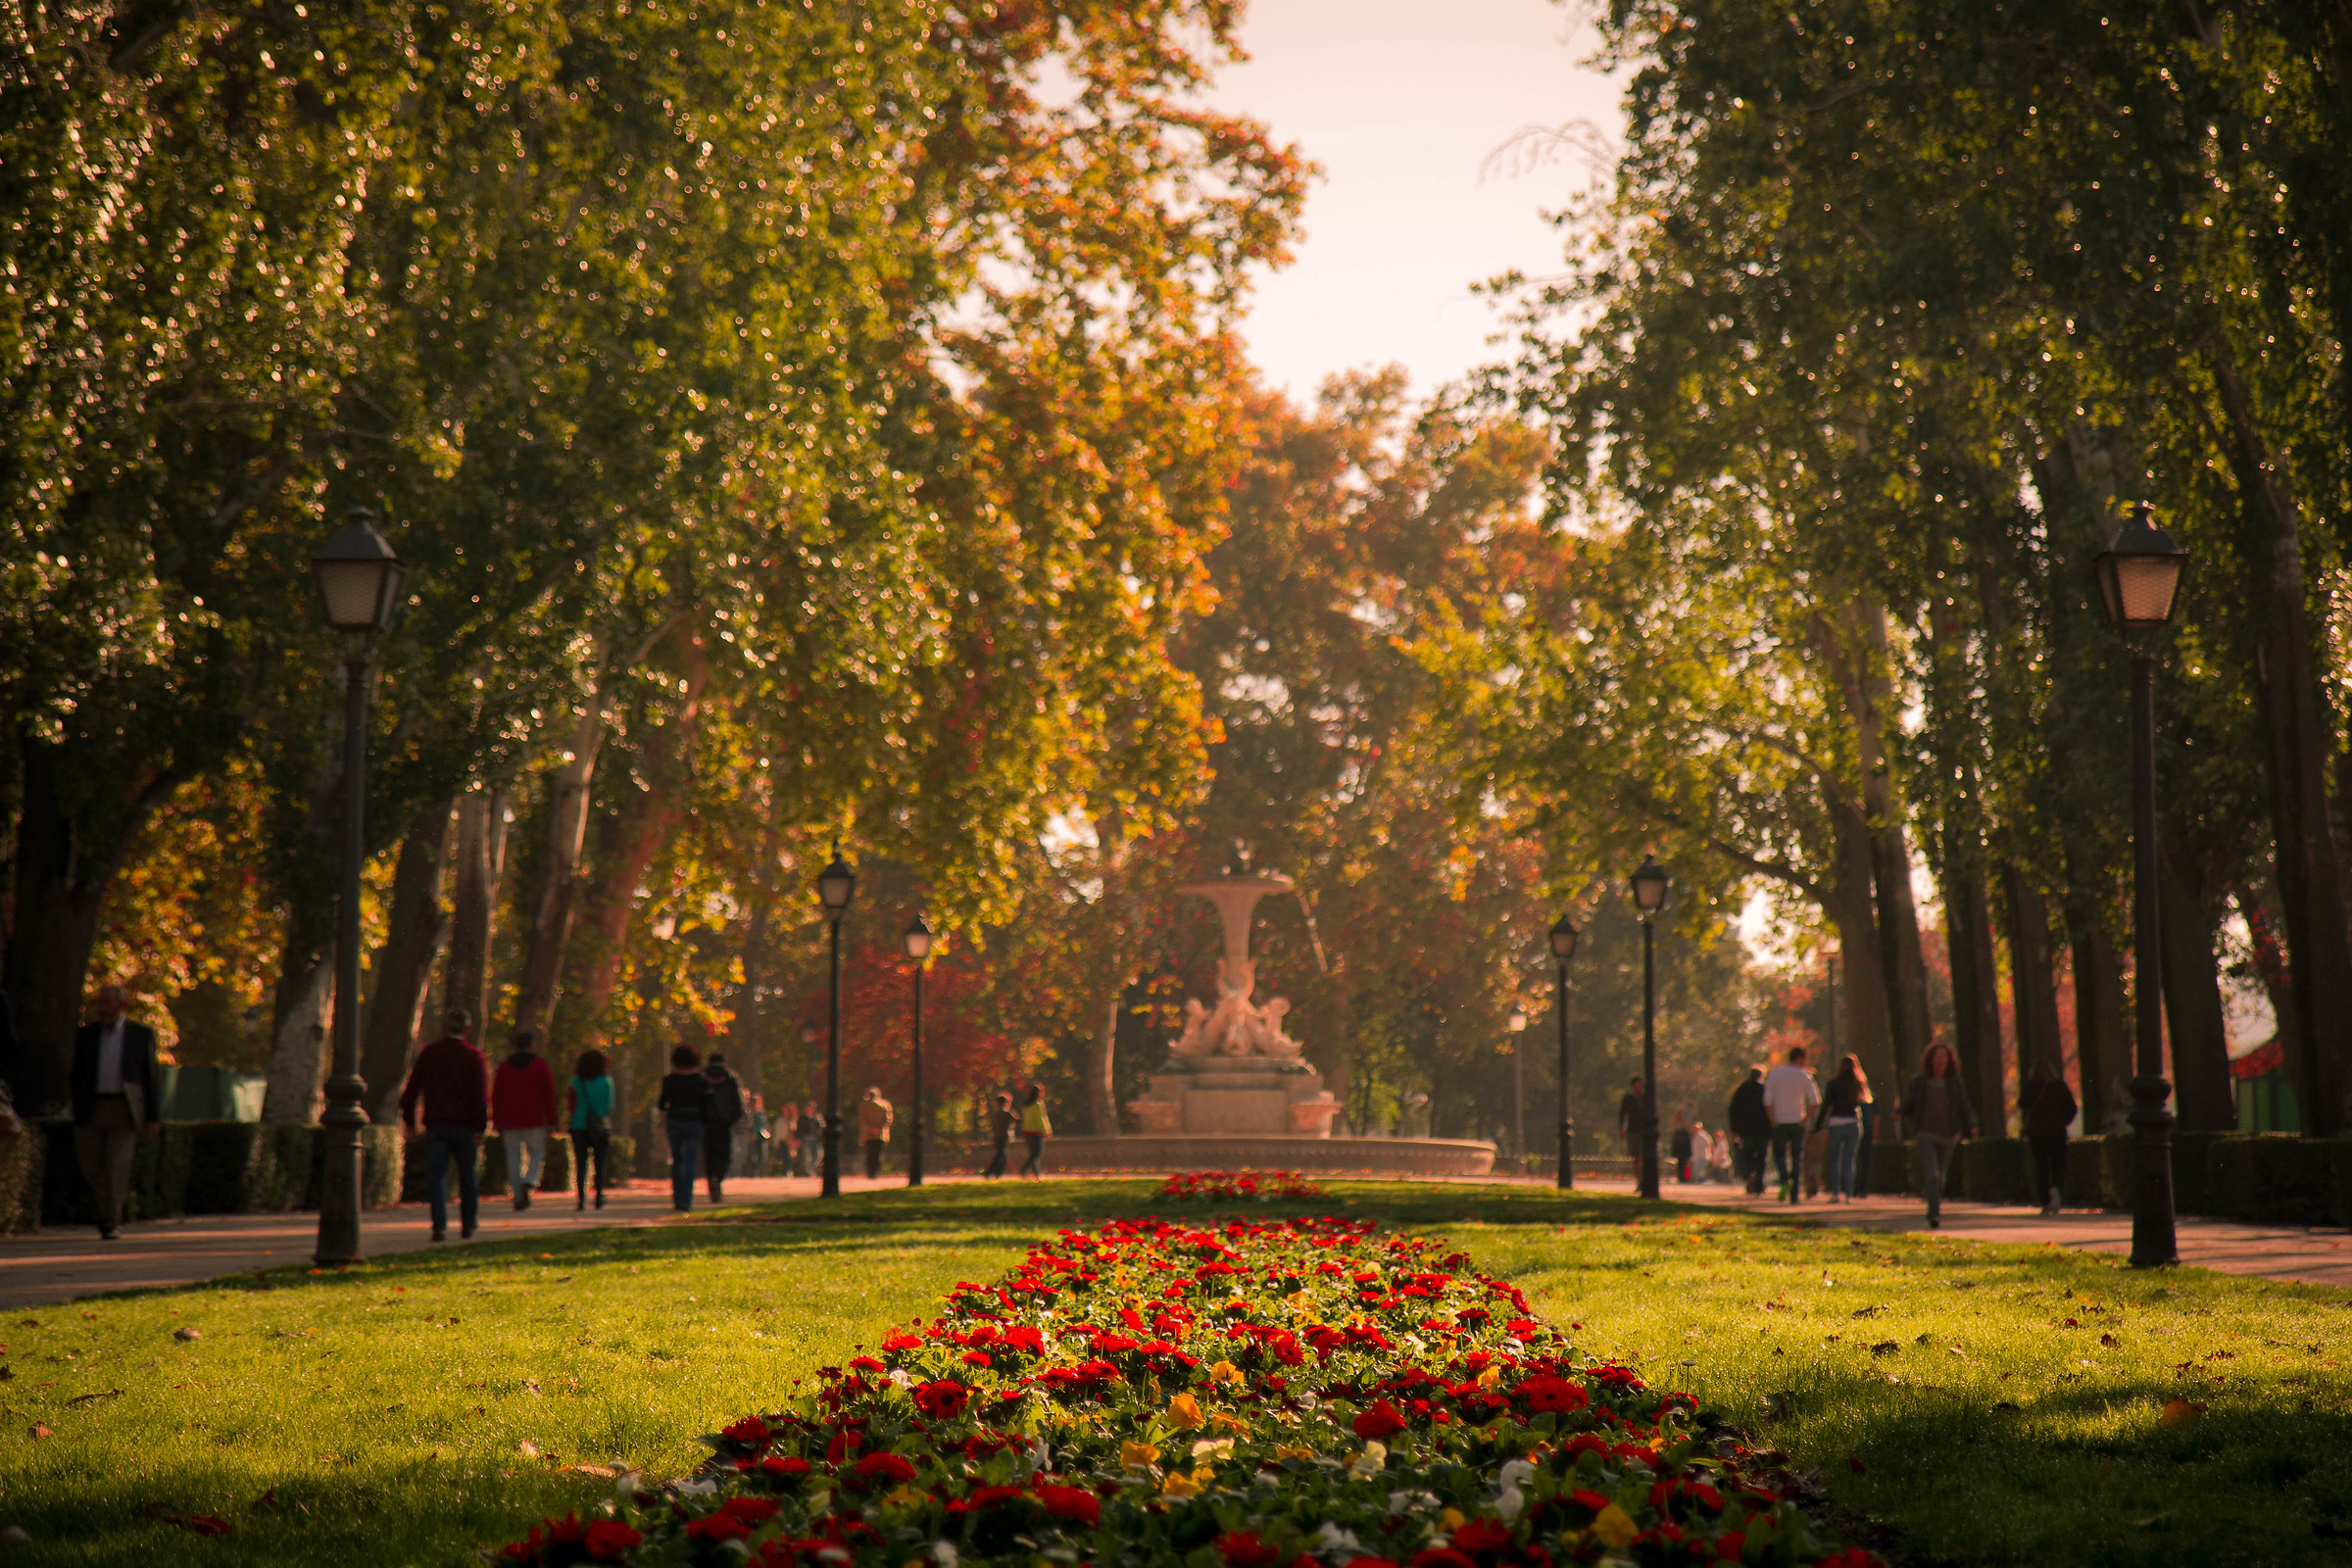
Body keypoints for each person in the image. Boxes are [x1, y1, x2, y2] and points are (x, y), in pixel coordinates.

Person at [70, 984, 162, 1240]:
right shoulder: (86, 1035)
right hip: (92, 1108)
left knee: (116, 1166)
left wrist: (153, 1117)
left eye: (108, 1002)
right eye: (100, 1002)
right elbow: (76, 1074)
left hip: (124, 1109)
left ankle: (111, 1219)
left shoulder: (139, 1034)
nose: (102, 1008)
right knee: (91, 1165)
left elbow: (150, 1078)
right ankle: (107, 1207)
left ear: (122, 1005)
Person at [400, 1008, 491, 1242]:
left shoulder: (430, 1054)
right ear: (468, 1029)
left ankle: (439, 1225)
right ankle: (468, 1223)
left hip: (437, 1125)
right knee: (467, 1177)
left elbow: (412, 1089)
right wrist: (480, 1127)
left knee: (437, 1177)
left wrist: (410, 1121)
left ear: (445, 1027)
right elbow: (480, 1095)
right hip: (465, 1127)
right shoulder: (473, 1056)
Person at [1900, 1042, 1979, 1230]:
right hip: (1925, 1133)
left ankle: (1935, 1204)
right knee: (1933, 1174)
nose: (1940, 1060)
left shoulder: (1955, 1082)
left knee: (1941, 1176)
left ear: (1949, 1060)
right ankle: (1933, 1213)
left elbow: (1964, 1105)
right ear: (1930, 1059)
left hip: (1947, 1135)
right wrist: (1900, 1111)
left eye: (1944, 1057)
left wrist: (1972, 1125)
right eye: (1937, 1057)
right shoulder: (1921, 1081)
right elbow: (1910, 1101)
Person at [491, 1029, 560, 1210]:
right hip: (533, 1119)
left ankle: (517, 1196)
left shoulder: (504, 1067)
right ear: (531, 1045)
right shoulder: (540, 1066)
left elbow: (497, 1095)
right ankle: (529, 1181)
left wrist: (495, 1119)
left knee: (513, 1157)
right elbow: (548, 1095)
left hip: (509, 1119)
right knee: (536, 1153)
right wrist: (552, 1121)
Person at [658, 1043, 712, 1211]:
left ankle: (677, 1198)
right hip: (695, 1122)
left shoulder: (670, 1080)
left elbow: (661, 1104)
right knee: (690, 1160)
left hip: (675, 1121)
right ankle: (686, 1200)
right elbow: (707, 1105)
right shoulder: (701, 1080)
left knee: (677, 1159)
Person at [1762, 1047, 1820, 1203]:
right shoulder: (1804, 1076)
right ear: (1800, 1058)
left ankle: (1785, 1179)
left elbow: (1767, 1101)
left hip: (1779, 1121)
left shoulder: (1775, 1074)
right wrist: (1805, 1119)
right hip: (1797, 1121)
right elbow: (1815, 1101)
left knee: (1779, 1155)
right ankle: (1794, 1194)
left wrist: (1772, 1119)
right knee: (1796, 1157)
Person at [2023, 1066, 2079, 1216]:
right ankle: (2056, 1187)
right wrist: (2063, 1121)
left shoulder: (2031, 1086)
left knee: (2041, 1167)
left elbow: (2022, 1103)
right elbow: (2072, 1108)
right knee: (2058, 1164)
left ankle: (2045, 1202)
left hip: (2037, 1133)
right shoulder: (2060, 1087)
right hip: (2057, 1132)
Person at [1816, 1054, 1870, 1203]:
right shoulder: (1858, 1083)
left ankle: (1835, 1193)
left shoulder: (1833, 1083)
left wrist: (1819, 1125)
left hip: (1836, 1123)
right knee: (1849, 1160)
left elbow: (1826, 1105)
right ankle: (1848, 1194)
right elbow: (1864, 1103)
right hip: (1853, 1123)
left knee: (1834, 1160)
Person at [567, 1049, 613, 1211]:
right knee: (600, 1164)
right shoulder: (606, 1082)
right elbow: (609, 1106)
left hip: (579, 1125)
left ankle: (581, 1199)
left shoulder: (576, 1082)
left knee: (581, 1164)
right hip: (599, 1126)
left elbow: (571, 1105)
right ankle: (599, 1197)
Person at [702, 1050, 745, 1201]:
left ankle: (711, 1178)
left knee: (709, 1156)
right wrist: (729, 1121)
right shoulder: (730, 1077)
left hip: (706, 1125)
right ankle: (718, 1177)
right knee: (725, 1155)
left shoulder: (702, 1077)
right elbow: (739, 1105)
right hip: (724, 1124)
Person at [1727, 1067, 1770, 1195]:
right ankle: (1759, 1183)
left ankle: (1749, 1174)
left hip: (1746, 1130)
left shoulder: (1742, 1089)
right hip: (1763, 1129)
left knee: (1748, 1154)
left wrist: (1734, 1129)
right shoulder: (1764, 1089)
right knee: (1762, 1157)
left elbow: (1733, 1109)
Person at [858, 1086, 894, 1179]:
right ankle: (876, 1173)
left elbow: (863, 1120)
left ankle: (870, 1172)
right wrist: (879, 1129)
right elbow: (888, 1119)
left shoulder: (864, 1106)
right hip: (881, 1134)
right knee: (879, 1154)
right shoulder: (886, 1105)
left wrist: (871, 1128)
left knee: (869, 1154)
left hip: (868, 1135)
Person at [1016, 1084, 1052, 1178]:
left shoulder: (1025, 1104)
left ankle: (1037, 1173)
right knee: (1037, 1153)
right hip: (1036, 1132)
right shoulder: (1038, 1104)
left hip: (1027, 1131)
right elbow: (1041, 1118)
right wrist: (1046, 1131)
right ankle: (1024, 1169)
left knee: (1033, 1153)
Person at [982, 1091, 1015, 1179]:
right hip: (1004, 1136)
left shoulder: (995, 1114)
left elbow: (992, 1126)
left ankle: (992, 1172)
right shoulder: (1007, 1113)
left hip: (997, 1136)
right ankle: (995, 1173)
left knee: (1000, 1154)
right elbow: (1016, 1121)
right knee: (1003, 1155)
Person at [1616, 1077, 1645, 1167]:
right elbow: (1622, 1114)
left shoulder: (1645, 1098)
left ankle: (1641, 1175)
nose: (1638, 1088)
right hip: (1632, 1129)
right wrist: (1622, 1129)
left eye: (1640, 1086)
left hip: (1643, 1130)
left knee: (1641, 1154)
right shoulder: (1628, 1099)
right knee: (1635, 1155)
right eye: (1636, 1086)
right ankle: (1638, 1176)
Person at [795, 1100, 822, 1178]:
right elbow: (799, 1130)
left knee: (818, 1155)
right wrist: (799, 1139)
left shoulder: (817, 1118)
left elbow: (821, 1129)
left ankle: (811, 1170)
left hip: (816, 1140)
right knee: (807, 1156)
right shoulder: (802, 1118)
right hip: (806, 1140)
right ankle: (809, 1173)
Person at [747, 1094, 770, 1177]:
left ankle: (756, 1170)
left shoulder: (762, 1114)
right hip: (753, 1138)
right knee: (753, 1156)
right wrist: (751, 1134)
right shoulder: (750, 1114)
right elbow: (749, 1126)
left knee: (763, 1156)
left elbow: (765, 1125)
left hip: (761, 1138)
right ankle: (755, 1173)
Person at [1686, 1119, 1714, 1184]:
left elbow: (1710, 1144)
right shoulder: (1694, 1136)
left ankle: (1700, 1182)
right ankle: (1697, 1182)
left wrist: (1711, 1153)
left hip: (1703, 1156)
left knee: (1700, 1171)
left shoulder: (1703, 1135)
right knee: (1696, 1171)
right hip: (1696, 1157)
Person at [1669, 1115, 1694, 1183]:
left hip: (1681, 1152)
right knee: (1683, 1164)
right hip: (1682, 1152)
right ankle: (1683, 1177)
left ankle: (1683, 1177)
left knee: (1682, 1164)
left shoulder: (1679, 1133)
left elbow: (1675, 1143)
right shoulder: (1684, 1133)